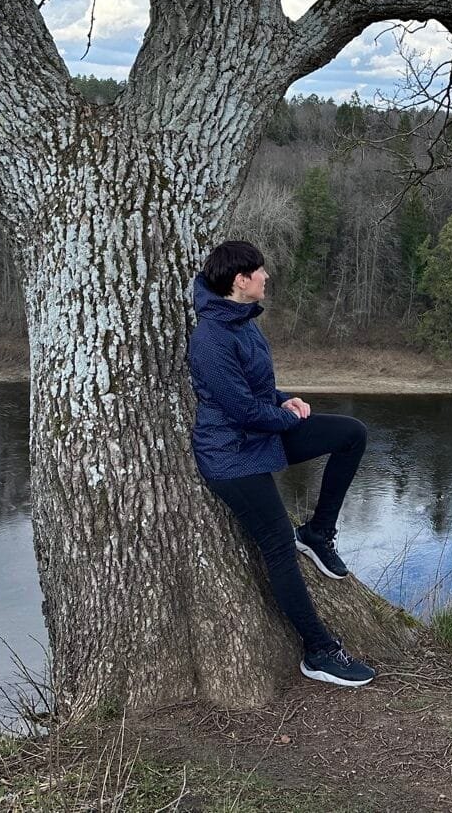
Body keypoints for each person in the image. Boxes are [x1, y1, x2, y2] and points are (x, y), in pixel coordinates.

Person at [187, 239, 376, 688]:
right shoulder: (210, 338)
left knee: (351, 434)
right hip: (231, 455)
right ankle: (319, 651)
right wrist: (286, 417)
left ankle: (317, 533)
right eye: (260, 271)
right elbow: (240, 410)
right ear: (241, 280)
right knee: (277, 548)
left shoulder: (243, 321)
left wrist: (284, 399)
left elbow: (254, 392)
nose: (266, 276)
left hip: (260, 434)